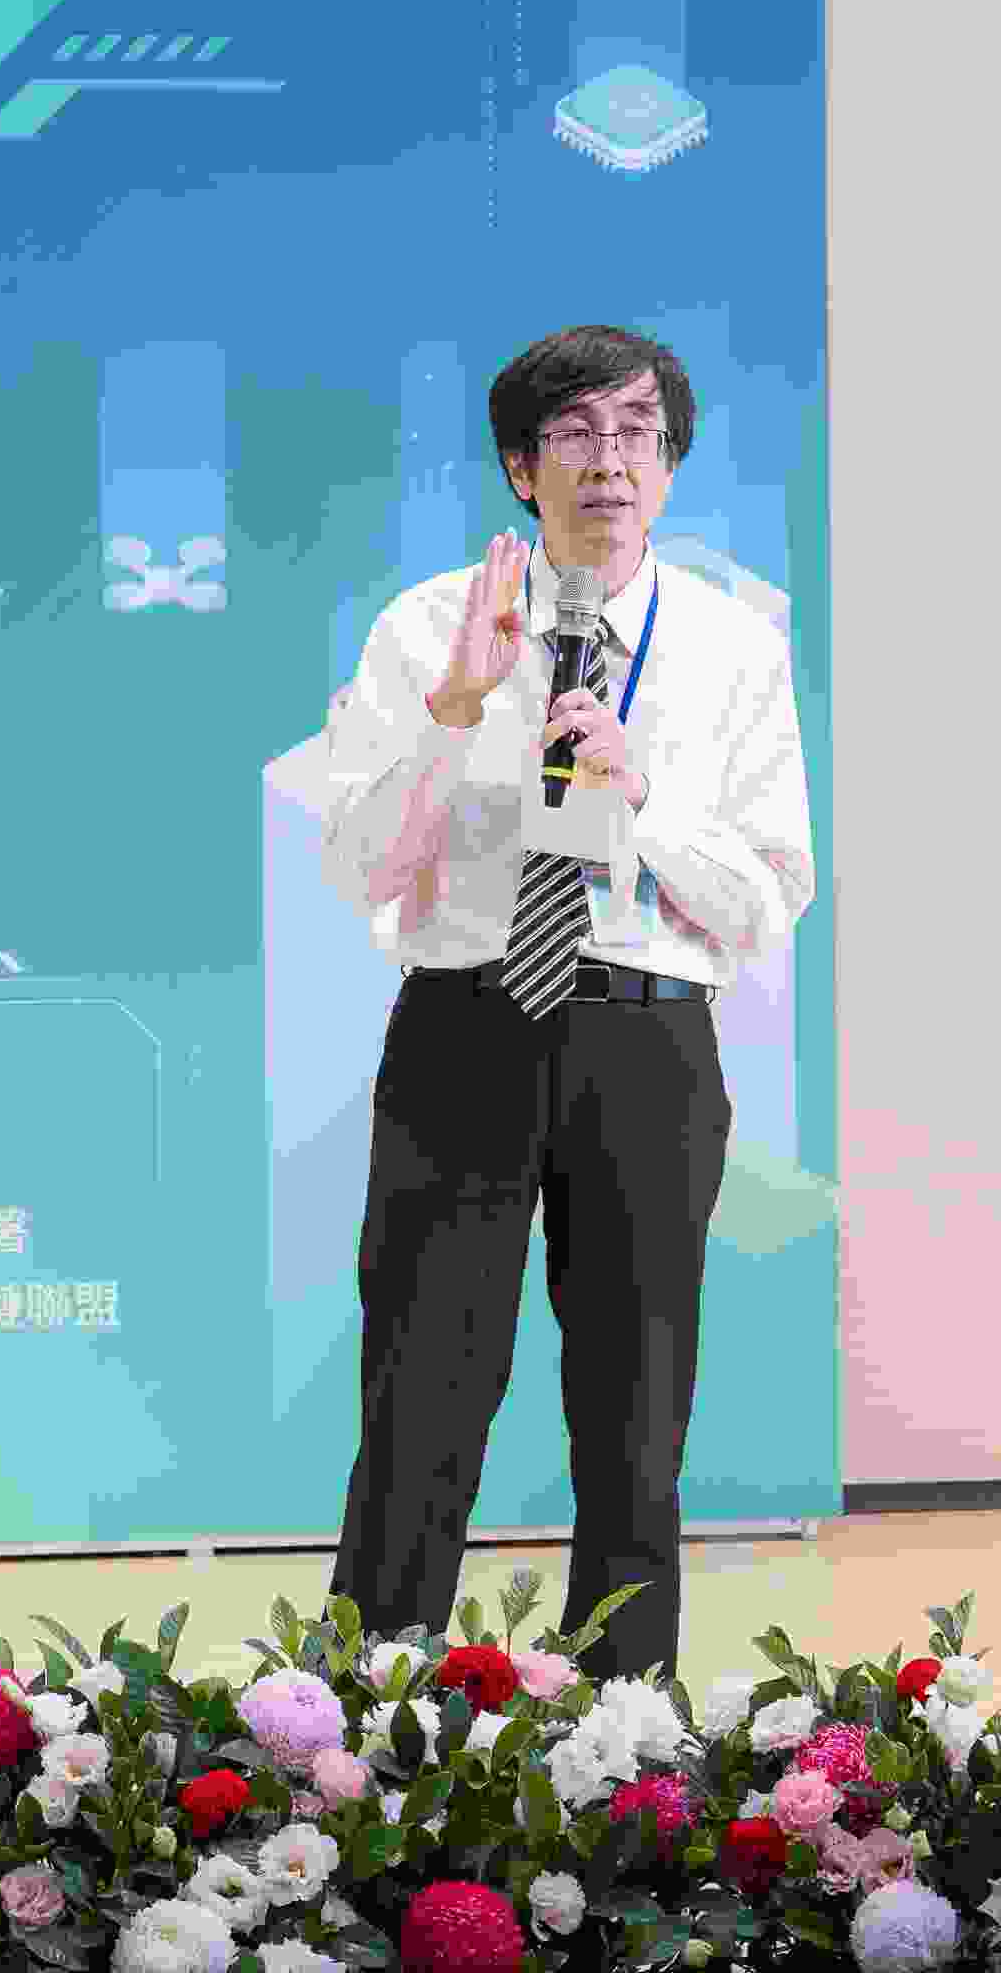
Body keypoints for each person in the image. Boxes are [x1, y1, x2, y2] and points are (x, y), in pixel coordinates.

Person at [317, 324, 816, 1679]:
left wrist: (641, 799)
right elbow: (359, 866)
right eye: (577, 433)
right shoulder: (427, 628)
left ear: (672, 466)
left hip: (646, 1032)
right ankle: (369, 1707)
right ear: (519, 468)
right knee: (421, 1390)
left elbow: (770, 896)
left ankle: (624, 1718)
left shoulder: (731, 649)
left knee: (636, 1402)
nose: (610, 461)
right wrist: (457, 705)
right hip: (466, 1022)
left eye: (638, 432)